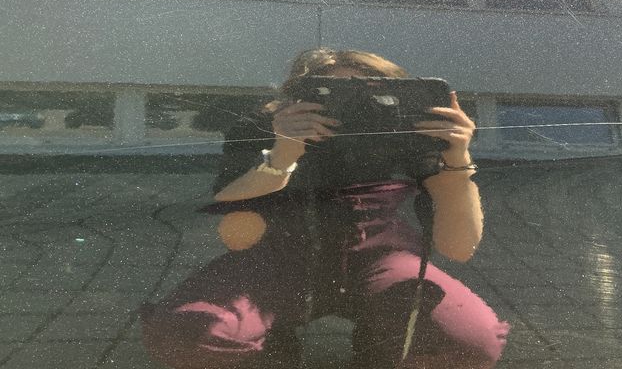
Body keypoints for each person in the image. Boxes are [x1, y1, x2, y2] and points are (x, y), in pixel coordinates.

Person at [141, 49, 509, 369]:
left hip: (380, 253)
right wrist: (284, 152)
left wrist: (457, 157)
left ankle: (380, 347)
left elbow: (458, 247)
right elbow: (234, 225)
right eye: (334, 97)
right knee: (185, 335)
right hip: (278, 255)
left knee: (469, 344)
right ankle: (272, 353)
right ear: (296, 99)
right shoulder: (267, 125)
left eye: (373, 97)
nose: (355, 109)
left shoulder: (404, 131)